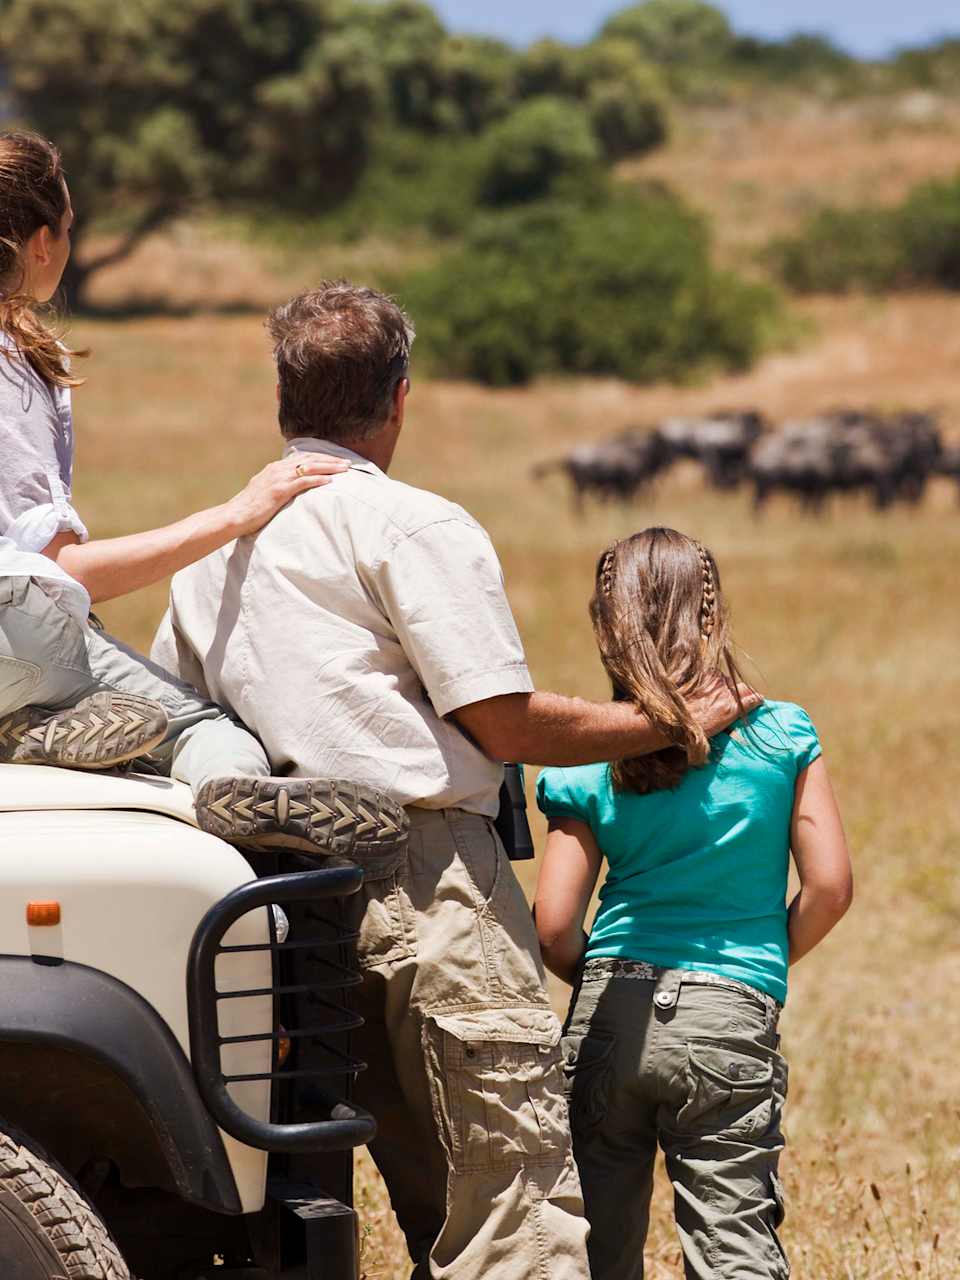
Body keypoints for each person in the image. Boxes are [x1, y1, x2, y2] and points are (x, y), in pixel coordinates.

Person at [151, 281, 760, 1280]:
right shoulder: (410, 524)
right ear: (398, 397)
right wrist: (672, 717)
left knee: (359, 1184)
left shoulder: (207, 555)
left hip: (270, 892)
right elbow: (504, 721)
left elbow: (182, 722)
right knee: (508, 1199)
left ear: (281, 396)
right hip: (427, 879)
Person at [0, 129, 404, 859]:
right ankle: (224, 785)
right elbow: (59, 570)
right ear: (38, 244)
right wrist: (237, 513)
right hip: (13, 641)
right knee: (203, 730)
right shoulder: (12, 367)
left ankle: (34, 725)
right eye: (67, 228)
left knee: (112, 708)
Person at [533, 528, 853, 1280]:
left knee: (597, 1245)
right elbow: (831, 887)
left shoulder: (588, 757)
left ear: (608, 626)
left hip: (611, 1010)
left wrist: (606, 973)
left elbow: (552, 929)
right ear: (711, 615)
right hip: (732, 1013)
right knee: (733, 1244)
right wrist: (755, 961)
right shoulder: (782, 733)